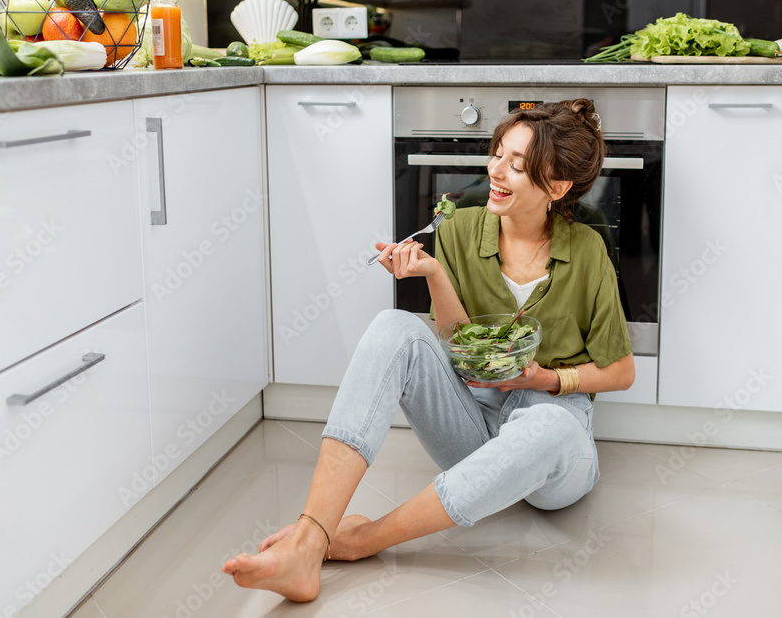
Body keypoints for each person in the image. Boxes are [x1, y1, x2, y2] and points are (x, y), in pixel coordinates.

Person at [221, 98, 635, 601]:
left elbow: (620, 371)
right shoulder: (459, 229)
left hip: (555, 443)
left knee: (549, 425)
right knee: (393, 327)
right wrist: (434, 273)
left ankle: (363, 539)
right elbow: (458, 344)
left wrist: (542, 380)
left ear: (556, 187)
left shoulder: (587, 248)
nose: (496, 171)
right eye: (497, 154)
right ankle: (308, 540)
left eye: (517, 165)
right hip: (473, 422)